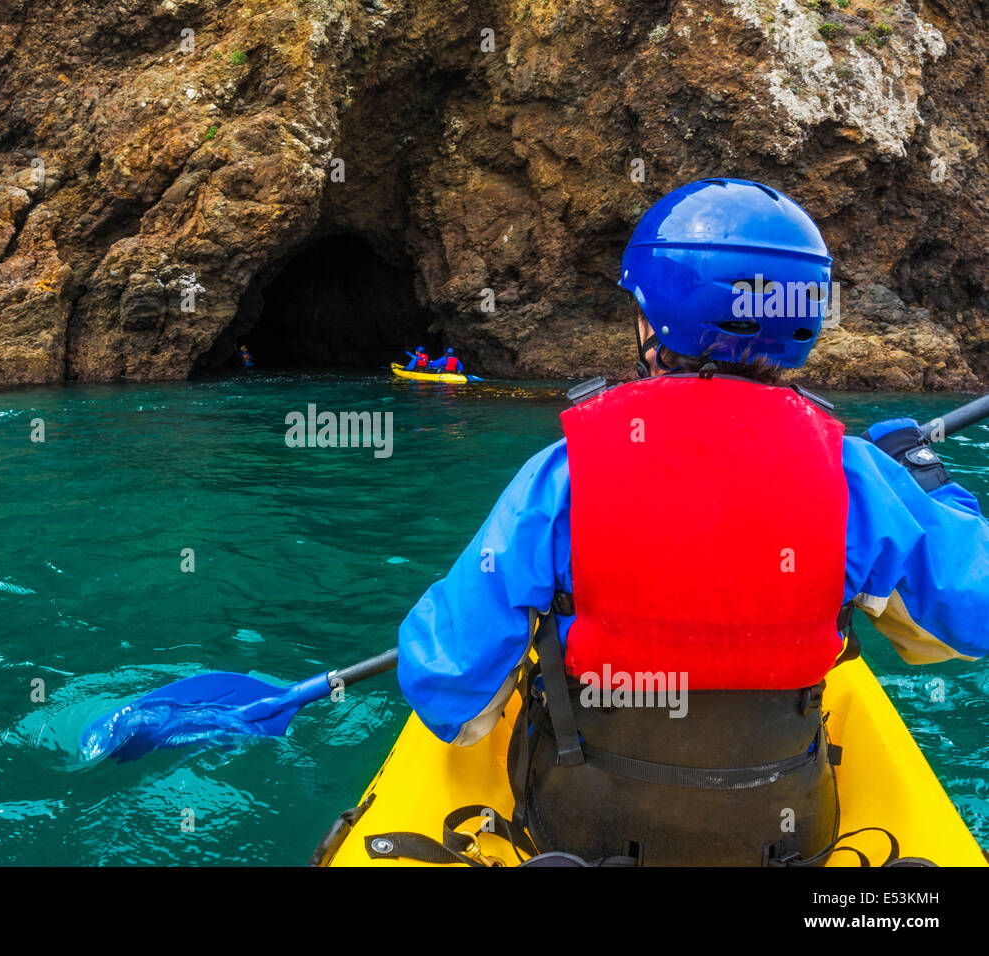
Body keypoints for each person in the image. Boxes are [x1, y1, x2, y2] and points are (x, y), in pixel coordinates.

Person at [396, 178, 989, 866]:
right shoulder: (860, 477)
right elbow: (973, 616)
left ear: (654, 318)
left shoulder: (561, 476)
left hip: (580, 832)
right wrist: (931, 484)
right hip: (781, 833)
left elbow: (450, 693)